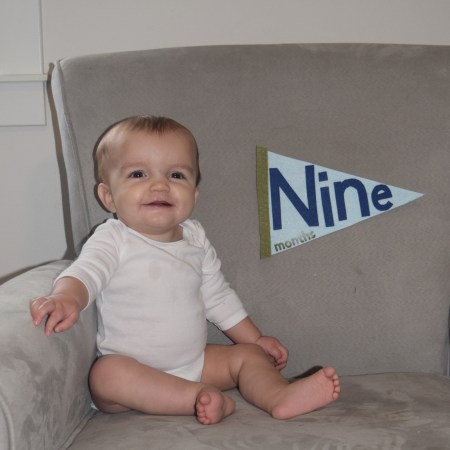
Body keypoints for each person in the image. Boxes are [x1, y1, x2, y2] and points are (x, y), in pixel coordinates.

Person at [30, 116, 340, 425]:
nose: (160, 185)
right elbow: (87, 272)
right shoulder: (114, 238)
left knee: (248, 356)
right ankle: (199, 398)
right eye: (138, 174)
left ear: (194, 194)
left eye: (176, 175)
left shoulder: (195, 238)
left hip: (196, 364)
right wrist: (67, 297)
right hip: (133, 374)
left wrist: (255, 339)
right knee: (104, 374)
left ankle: (278, 396)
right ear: (109, 196)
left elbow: (218, 297)